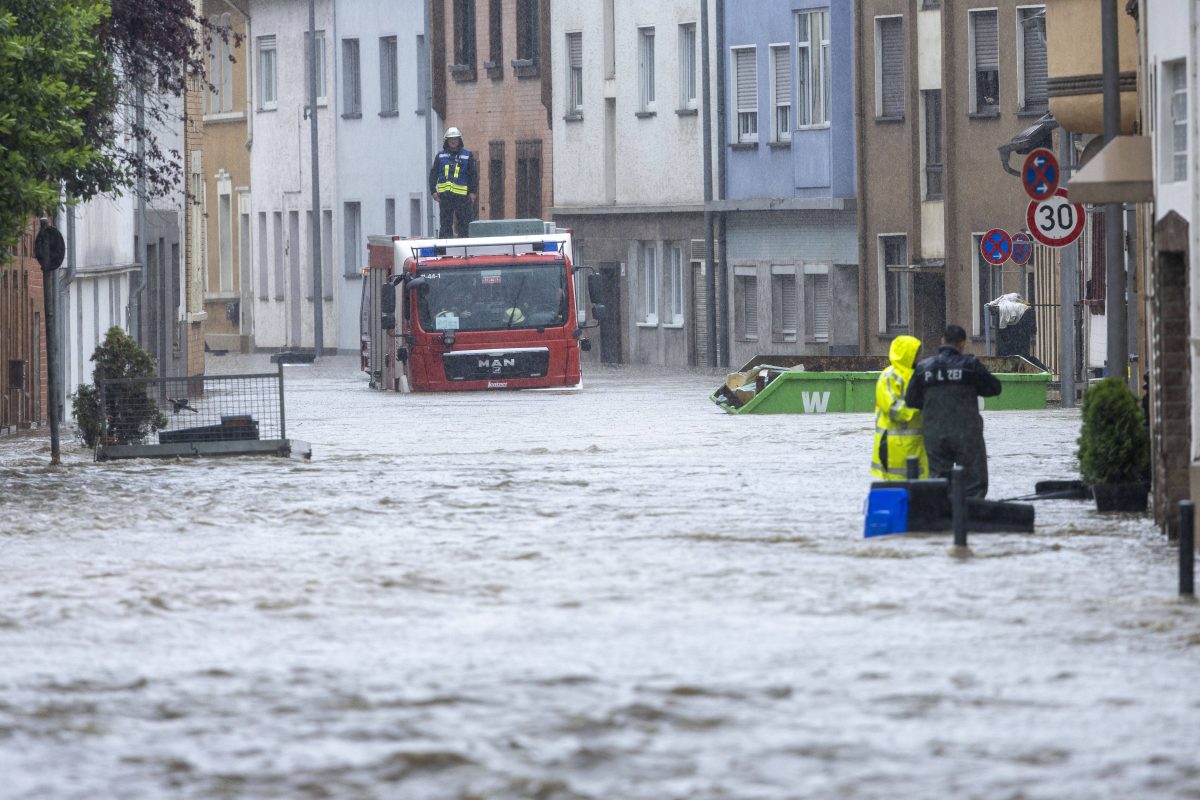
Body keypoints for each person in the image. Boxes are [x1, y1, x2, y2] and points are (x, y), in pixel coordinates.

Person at [904, 324, 1002, 498]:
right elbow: (994, 388)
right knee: (974, 483)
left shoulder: (924, 368)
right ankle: (970, 516)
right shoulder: (971, 365)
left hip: (935, 434)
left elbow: (911, 400)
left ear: (942, 341)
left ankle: (941, 518)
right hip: (967, 433)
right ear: (962, 344)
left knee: (938, 481)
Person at [871, 335, 928, 481]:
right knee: (897, 490)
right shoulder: (889, 377)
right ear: (907, 355)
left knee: (919, 491)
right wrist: (921, 409)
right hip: (894, 447)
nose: (919, 357)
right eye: (916, 354)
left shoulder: (918, 374)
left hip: (916, 445)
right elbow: (894, 408)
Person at [428, 127, 478, 238]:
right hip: (445, 197)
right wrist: (433, 191)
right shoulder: (440, 156)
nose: (453, 141)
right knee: (445, 225)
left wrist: (473, 192)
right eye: (451, 139)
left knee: (465, 225)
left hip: (463, 198)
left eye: (455, 138)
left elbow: (473, 175)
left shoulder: (467, 155)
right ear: (447, 141)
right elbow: (433, 174)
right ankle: (445, 251)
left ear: (459, 140)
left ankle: (464, 250)